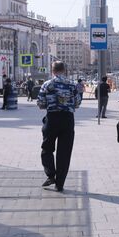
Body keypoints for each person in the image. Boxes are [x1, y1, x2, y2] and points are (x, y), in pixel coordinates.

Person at [37, 61, 81, 192]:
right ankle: (60, 184)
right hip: (68, 120)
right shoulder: (72, 85)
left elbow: (40, 103)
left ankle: (51, 175)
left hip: (52, 119)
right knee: (64, 153)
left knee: (47, 148)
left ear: (53, 70)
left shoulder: (47, 84)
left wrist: (51, 105)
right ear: (64, 70)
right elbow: (77, 103)